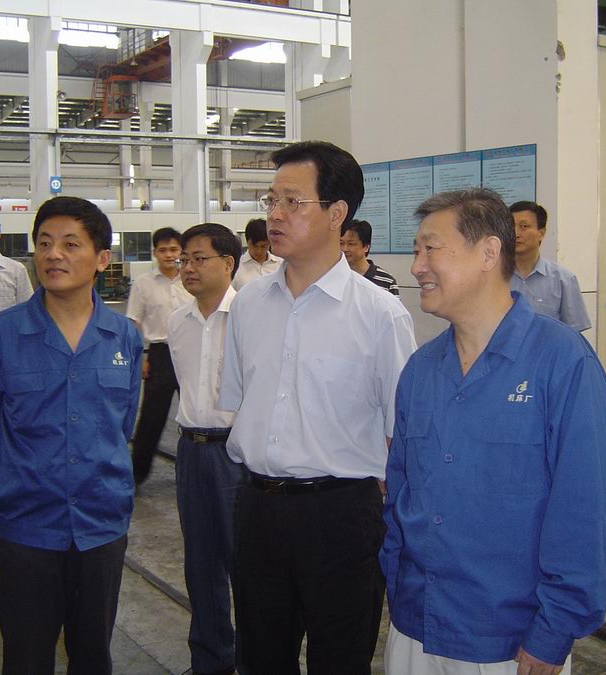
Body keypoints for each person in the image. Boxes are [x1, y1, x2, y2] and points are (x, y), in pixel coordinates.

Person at [381, 188, 606, 675]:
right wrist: (395, 579)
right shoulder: (421, 370)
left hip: (510, 643)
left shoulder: (562, 362)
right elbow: (401, 489)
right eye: (415, 251)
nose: (417, 267)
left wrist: (554, 631)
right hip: (415, 625)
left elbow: (585, 510)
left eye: (430, 248)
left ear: (489, 252)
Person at [218, 140, 417, 674]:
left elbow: (401, 433)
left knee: (340, 661)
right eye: (271, 200)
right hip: (257, 510)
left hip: (340, 516)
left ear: (336, 213)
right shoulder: (248, 305)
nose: (275, 215)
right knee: (261, 658)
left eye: (292, 201)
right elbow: (238, 403)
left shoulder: (381, 315)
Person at [0, 196, 143, 674]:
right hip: (26, 521)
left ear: (102, 258)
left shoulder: (124, 337)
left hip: (101, 521)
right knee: (26, 655)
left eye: (71, 244)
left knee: (92, 653)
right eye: (44, 243)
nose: (53, 255)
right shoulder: (2, 334)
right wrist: (32, 464)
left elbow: (123, 421)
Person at [168, 223, 246, 675]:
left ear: (228, 263)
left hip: (235, 455)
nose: (188, 268)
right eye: (184, 260)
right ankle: (212, 659)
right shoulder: (177, 322)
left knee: (244, 562)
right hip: (191, 451)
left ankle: (253, 659)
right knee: (199, 563)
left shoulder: (249, 319)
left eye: (199, 259)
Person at [126, 227, 191, 486]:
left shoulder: (191, 278)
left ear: (181, 251)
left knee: (195, 415)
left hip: (190, 352)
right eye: (163, 250)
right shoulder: (144, 283)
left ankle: (194, 473)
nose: (169, 255)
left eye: (174, 249)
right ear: (155, 253)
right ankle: (136, 475)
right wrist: (140, 357)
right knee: (152, 418)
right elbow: (133, 321)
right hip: (159, 355)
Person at [509, 201, 589, 332]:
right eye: (511, 226)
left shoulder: (564, 280)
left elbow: (573, 333)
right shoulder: (494, 277)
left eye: (524, 227)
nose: (516, 233)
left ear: (541, 233)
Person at [340, 219, 400, 295]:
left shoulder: (387, 281)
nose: (345, 249)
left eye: (351, 244)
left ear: (366, 247)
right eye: (341, 243)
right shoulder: (333, 275)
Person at [231, 217, 281, 290]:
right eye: (254, 246)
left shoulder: (281, 264)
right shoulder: (236, 266)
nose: (258, 251)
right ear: (247, 241)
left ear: (270, 242)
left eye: (263, 246)